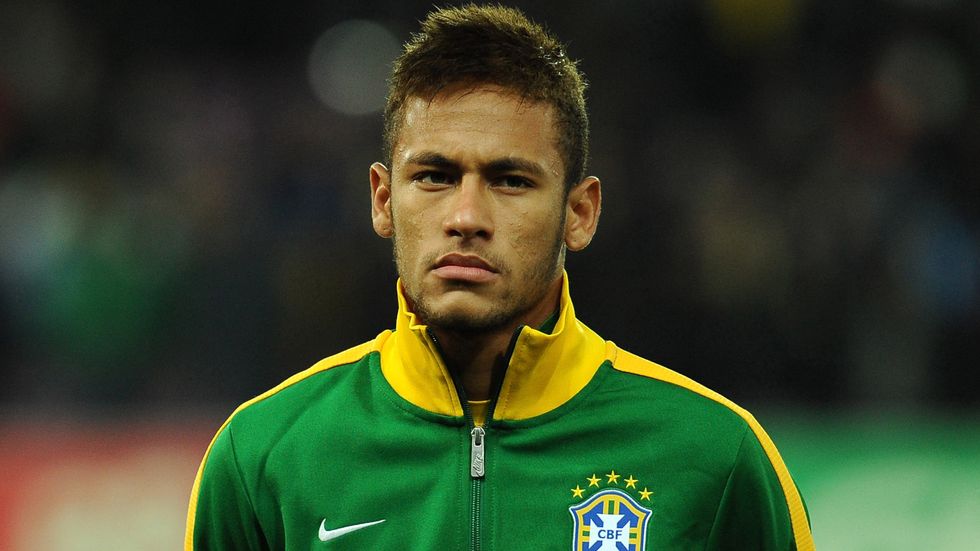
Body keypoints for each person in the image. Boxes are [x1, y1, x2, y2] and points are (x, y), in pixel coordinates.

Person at [185, 5, 814, 550]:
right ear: (382, 200)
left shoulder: (715, 458)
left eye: (511, 181)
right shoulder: (263, 459)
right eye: (433, 175)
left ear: (579, 212)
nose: (465, 217)